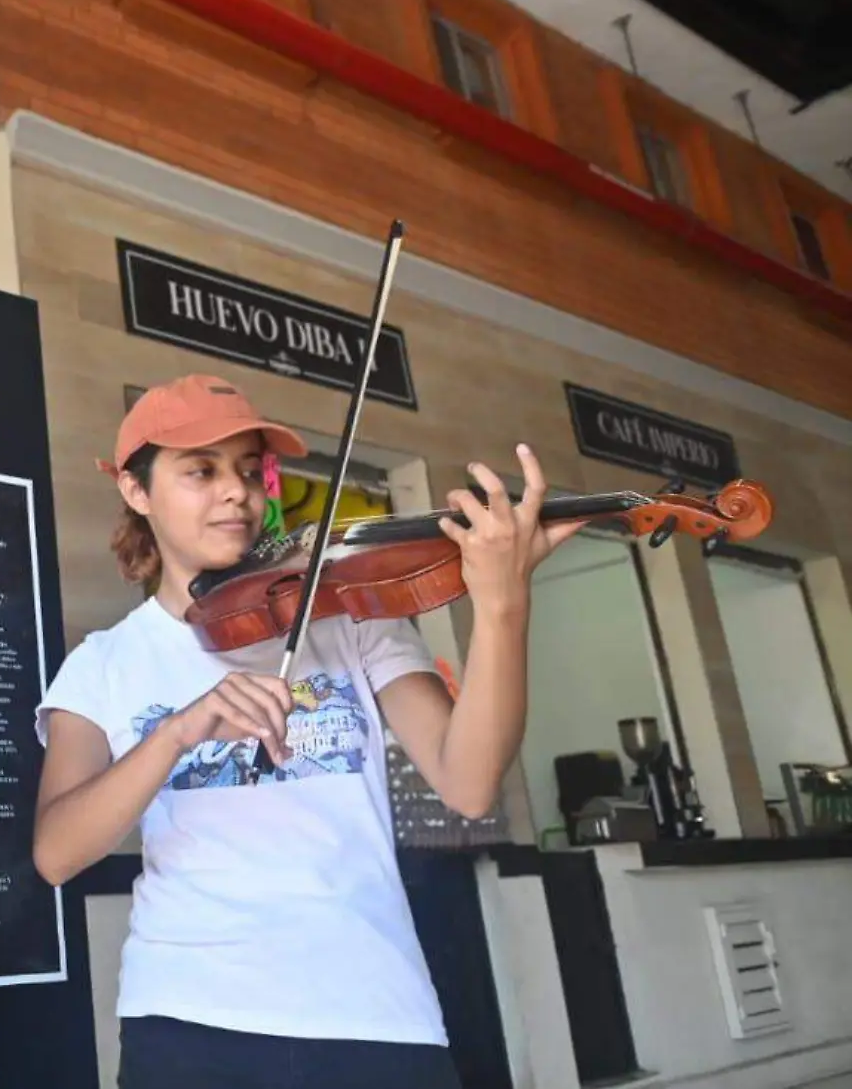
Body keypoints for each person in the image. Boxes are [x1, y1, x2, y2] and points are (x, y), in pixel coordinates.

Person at [31, 374, 581, 1089]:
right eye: (200, 471)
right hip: (191, 1018)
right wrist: (177, 732)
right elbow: (56, 854)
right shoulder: (105, 662)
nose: (237, 492)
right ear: (137, 492)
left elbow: (470, 783)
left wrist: (503, 604)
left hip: (377, 1012)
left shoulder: (349, 616)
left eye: (248, 470)